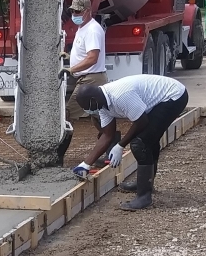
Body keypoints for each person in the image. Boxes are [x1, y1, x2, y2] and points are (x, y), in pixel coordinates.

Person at [70, 74, 189, 211]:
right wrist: (86, 164)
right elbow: (107, 135)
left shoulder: (120, 95)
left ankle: (144, 196)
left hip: (173, 97)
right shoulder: (102, 105)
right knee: (149, 139)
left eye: (87, 107)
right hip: (160, 100)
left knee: (140, 144)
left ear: (93, 99)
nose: (88, 111)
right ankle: (145, 184)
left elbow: (141, 121)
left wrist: (120, 145)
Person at [58, 0, 120, 168]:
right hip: (87, 76)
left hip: (91, 79)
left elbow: (93, 58)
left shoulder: (93, 29)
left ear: (87, 11)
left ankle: (57, 156)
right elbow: (85, 54)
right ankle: (112, 148)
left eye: (78, 11)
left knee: (67, 114)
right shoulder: (82, 27)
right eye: (72, 11)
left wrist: (72, 69)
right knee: (98, 117)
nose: (74, 14)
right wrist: (70, 58)